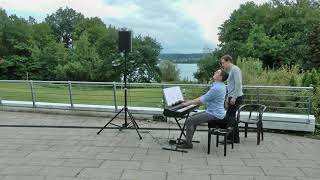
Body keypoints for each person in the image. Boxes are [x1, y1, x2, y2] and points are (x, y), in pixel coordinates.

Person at [177, 69, 229, 149]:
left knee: (190, 121)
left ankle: (188, 144)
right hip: (215, 111)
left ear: (220, 77)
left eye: (217, 72)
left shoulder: (217, 88)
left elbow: (201, 100)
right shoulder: (220, 85)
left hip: (214, 114)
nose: (214, 72)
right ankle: (188, 140)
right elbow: (204, 97)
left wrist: (187, 103)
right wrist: (189, 101)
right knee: (193, 118)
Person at [221, 55, 243, 143]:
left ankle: (233, 138)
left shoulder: (235, 69)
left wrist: (234, 98)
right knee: (230, 117)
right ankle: (232, 137)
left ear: (228, 61)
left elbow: (238, 84)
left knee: (231, 118)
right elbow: (230, 87)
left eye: (223, 63)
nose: (222, 65)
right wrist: (227, 98)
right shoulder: (230, 70)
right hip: (232, 96)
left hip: (236, 97)